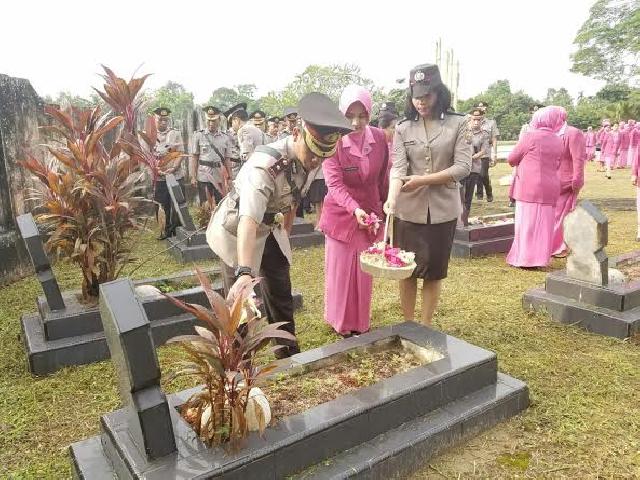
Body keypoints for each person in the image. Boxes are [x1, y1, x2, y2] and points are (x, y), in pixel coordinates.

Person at [206, 92, 353, 358]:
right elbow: (248, 220)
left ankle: (288, 354)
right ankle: (239, 367)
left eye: (323, 156)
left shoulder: (311, 158)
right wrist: (244, 272)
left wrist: (284, 234)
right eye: (312, 153)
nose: (316, 161)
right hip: (237, 229)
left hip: (270, 226)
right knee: (240, 304)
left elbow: (293, 198)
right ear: (297, 133)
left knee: (281, 291)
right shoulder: (265, 166)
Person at [384, 63, 471, 325]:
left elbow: (463, 167)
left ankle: (426, 326)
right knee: (406, 271)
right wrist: (391, 197)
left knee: (434, 272)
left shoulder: (459, 123)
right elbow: (398, 168)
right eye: (416, 96)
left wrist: (423, 180)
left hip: (442, 209)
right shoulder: (403, 128)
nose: (421, 102)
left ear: (438, 93)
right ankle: (409, 323)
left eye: (427, 95)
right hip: (408, 210)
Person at [318, 85, 389, 336]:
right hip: (341, 214)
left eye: (362, 115)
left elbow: (383, 176)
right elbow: (334, 184)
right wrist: (354, 209)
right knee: (341, 272)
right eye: (349, 116)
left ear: (370, 114)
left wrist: (384, 205)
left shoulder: (380, 138)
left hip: (369, 216)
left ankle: (360, 322)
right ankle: (340, 322)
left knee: (362, 271)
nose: (355, 122)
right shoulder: (332, 141)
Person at [506, 106, 564, 268]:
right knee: (545, 225)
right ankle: (540, 258)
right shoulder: (558, 140)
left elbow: (511, 159)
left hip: (529, 186)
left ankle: (524, 258)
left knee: (526, 223)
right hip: (551, 186)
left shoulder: (529, 137)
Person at [550, 107, 586, 257]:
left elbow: (578, 159)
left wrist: (577, 180)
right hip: (551, 179)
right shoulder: (551, 132)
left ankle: (561, 245)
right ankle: (554, 243)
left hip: (567, 180)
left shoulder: (573, 133)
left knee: (563, 214)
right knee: (554, 214)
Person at [151, 107, 185, 240]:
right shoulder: (150, 135)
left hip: (175, 174)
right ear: (155, 119)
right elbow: (147, 155)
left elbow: (181, 152)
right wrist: (156, 169)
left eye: (166, 120)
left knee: (178, 203)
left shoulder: (175, 133)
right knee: (161, 204)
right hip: (159, 177)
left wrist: (175, 166)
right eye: (160, 119)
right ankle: (164, 229)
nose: (163, 122)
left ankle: (177, 229)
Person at [190, 106, 232, 206]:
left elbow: (227, 159)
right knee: (205, 206)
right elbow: (195, 158)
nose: (211, 123)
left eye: (214, 121)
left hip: (219, 176)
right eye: (208, 120)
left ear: (219, 120)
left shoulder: (225, 137)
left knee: (220, 204)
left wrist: (230, 178)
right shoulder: (198, 136)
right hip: (204, 176)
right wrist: (193, 177)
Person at [462, 108, 491, 225]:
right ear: (470, 119)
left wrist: (472, 157)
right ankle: (456, 220)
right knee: (459, 195)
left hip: (474, 168)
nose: (476, 122)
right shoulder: (463, 131)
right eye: (474, 119)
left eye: (479, 120)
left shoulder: (484, 134)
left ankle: (464, 220)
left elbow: (484, 150)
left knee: (468, 196)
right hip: (461, 168)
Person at [474, 101, 498, 202]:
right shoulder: (472, 121)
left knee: (483, 174)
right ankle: (479, 194)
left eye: (483, 106)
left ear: (486, 109)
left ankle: (489, 192)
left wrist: (495, 154)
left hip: (485, 152)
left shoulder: (491, 122)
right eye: (479, 106)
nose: (481, 108)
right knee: (476, 173)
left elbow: (494, 139)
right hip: (474, 152)